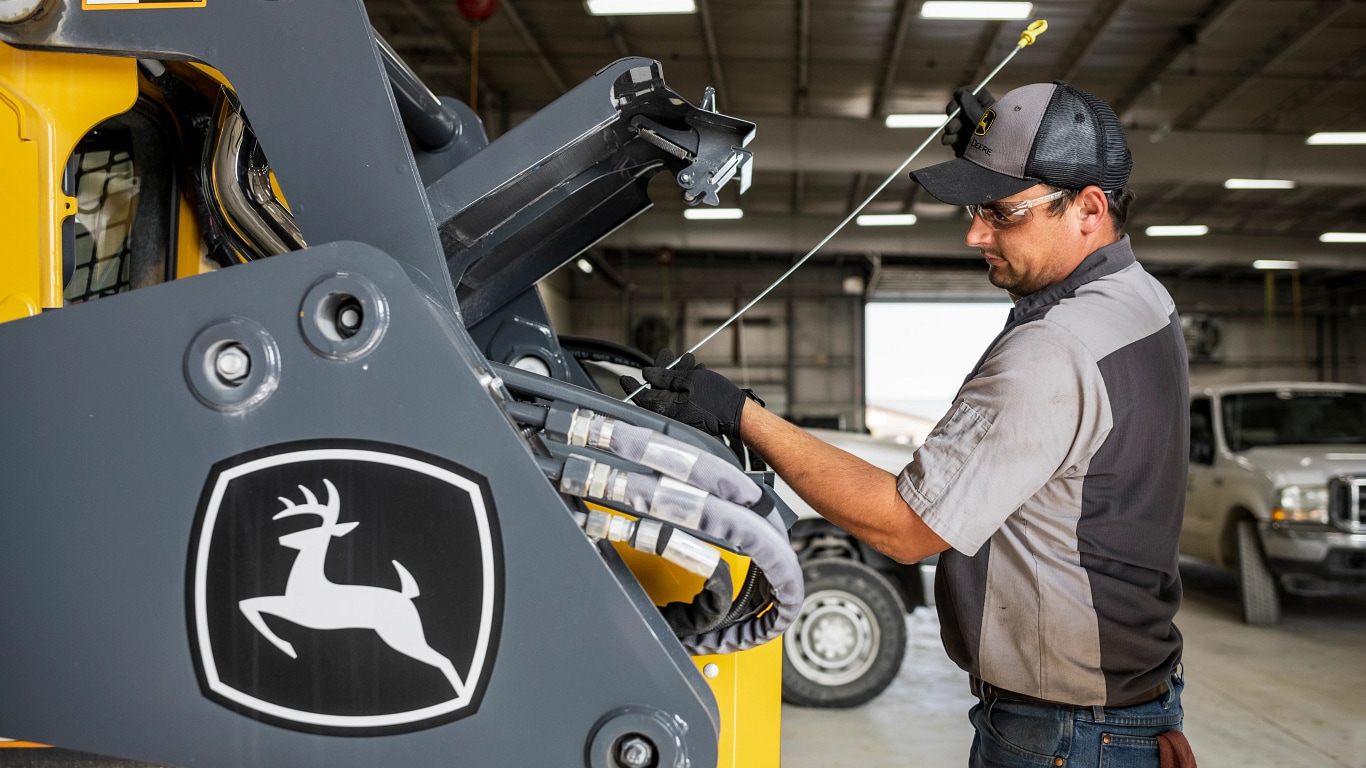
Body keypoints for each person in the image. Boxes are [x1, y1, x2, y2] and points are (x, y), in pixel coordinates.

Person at [623, 81, 1196, 768]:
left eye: (1002, 212)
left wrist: (737, 413)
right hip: (1126, 710)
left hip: (1064, 734)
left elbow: (903, 527)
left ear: (1089, 208)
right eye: (977, 207)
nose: (975, 233)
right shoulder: (1143, 303)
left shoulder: (1057, 347)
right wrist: (1140, 715)